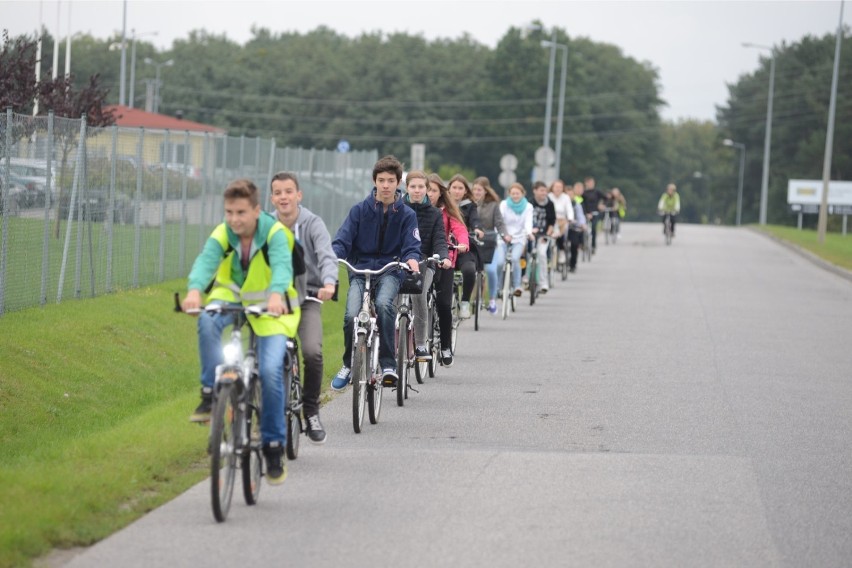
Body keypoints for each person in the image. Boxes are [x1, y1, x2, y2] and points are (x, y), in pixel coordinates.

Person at [183, 178, 299, 485]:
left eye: (241, 213)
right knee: (207, 320)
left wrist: (276, 295)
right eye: (229, 212)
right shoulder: (223, 232)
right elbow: (206, 262)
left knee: (272, 370)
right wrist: (195, 290)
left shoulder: (274, 233)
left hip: (272, 308)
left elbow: (283, 267)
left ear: (257, 211)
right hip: (231, 298)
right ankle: (210, 394)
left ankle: (273, 446)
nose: (234, 219)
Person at [331, 155, 421, 390]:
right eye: (381, 180)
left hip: (390, 269)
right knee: (352, 316)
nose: (386, 185)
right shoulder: (359, 211)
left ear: (398, 182)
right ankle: (348, 364)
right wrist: (332, 254)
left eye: (391, 180)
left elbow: (412, 245)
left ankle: (388, 364)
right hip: (360, 270)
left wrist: (411, 259)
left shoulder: (407, 215)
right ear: (374, 181)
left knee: (383, 305)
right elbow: (342, 239)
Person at [270, 171, 337, 445]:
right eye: (277, 193)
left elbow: (326, 256)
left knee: (311, 351)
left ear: (299, 195)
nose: (283, 197)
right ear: (272, 198)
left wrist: (329, 283)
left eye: (289, 191)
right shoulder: (266, 226)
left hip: (308, 296)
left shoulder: (312, 223)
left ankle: (310, 409)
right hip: (275, 300)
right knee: (265, 357)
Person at [403, 170, 450, 360]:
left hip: (425, 260)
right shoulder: (397, 208)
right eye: (413, 187)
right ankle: (393, 342)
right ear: (406, 188)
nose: (417, 191)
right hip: (401, 260)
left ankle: (421, 344)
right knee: (393, 297)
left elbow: (439, 238)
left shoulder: (434, 213)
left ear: (426, 189)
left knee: (418, 294)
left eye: (421, 187)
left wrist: (443, 257)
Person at [427, 173, 469, 366]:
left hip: (444, 261)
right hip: (422, 261)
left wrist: (462, 243)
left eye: (433, 190)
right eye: (427, 189)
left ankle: (445, 346)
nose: (429, 193)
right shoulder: (415, 209)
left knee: (443, 304)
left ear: (441, 193)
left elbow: (459, 228)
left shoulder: (447, 211)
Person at [472, 176, 510, 314]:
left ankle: (492, 298)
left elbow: (499, 223)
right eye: (474, 189)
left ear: (486, 191)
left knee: (491, 270)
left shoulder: (493, 205)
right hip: (471, 240)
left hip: (489, 241)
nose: (476, 192)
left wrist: (504, 235)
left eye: (479, 190)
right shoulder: (467, 203)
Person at [447, 174, 483, 320]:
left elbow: (475, 220)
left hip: (463, 245)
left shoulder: (469, 205)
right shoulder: (442, 204)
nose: (457, 191)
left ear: (465, 191)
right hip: (446, 246)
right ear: (448, 189)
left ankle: (465, 302)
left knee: (469, 270)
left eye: (460, 188)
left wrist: (477, 229)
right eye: (454, 187)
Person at [498, 182, 533, 297]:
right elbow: (500, 220)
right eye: (513, 193)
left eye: (517, 193)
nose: (515, 196)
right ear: (509, 194)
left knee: (515, 258)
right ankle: (499, 287)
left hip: (519, 238)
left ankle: (517, 285)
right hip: (504, 237)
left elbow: (528, 222)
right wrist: (503, 234)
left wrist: (529, 233)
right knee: (500, 261)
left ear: (523, 194)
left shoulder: (528, 207)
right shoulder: (504, 204)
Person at [530, 181, 556, 293]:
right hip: (530, 234)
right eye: (541, 190)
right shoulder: (530, 203)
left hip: (543, 234)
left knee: (542, 255)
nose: (544, 193)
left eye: (545, 191)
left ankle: (543, 282)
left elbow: (552, 221)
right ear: (535, 191)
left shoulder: (550, 204)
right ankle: (526, 278)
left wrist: (549, 231)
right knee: (526, 254)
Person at [548, 179, 574, 268]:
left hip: (562, 220)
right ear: (552, 188)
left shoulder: (565, 197)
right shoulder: (549, 196)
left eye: (560, 187)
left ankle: (562, 251)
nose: (558, 189)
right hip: (551, 220)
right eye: (556, 187)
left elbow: (569, 209)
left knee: (560, 233)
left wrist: (570, 218)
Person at [582, 176, 606, 253]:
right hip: (585, 213)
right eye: (589, 183)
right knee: (582, 229)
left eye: (592, 183)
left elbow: (606, 198)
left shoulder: (597, 192)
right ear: (586, 183)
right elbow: (581, 204)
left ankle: (593, 246)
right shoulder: (583, 193)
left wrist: (602, 204)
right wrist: (585, 213)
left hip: (595, 213)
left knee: (593, 228)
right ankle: (583, 244)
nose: (591, 184)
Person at [566, 183, 586, 273]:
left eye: (571, 195)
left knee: (574, 244)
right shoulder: (560, 203)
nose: (569, 196)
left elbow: (580, 216)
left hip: (573, 227)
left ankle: (573, 264)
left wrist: (582, 224)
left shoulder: (576, 204)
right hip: (562, 227)